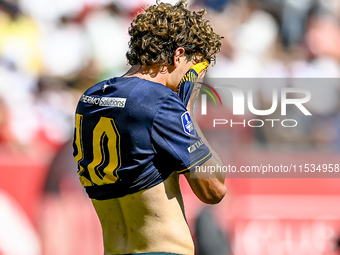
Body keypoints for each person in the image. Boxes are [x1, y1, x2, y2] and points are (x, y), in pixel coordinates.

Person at [72, 1, 226, 254]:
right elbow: (213, 190)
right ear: (178, 55)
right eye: (194, 66)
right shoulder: (159, 102)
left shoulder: (90, 98)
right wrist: (187, 109)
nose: (193, 76)